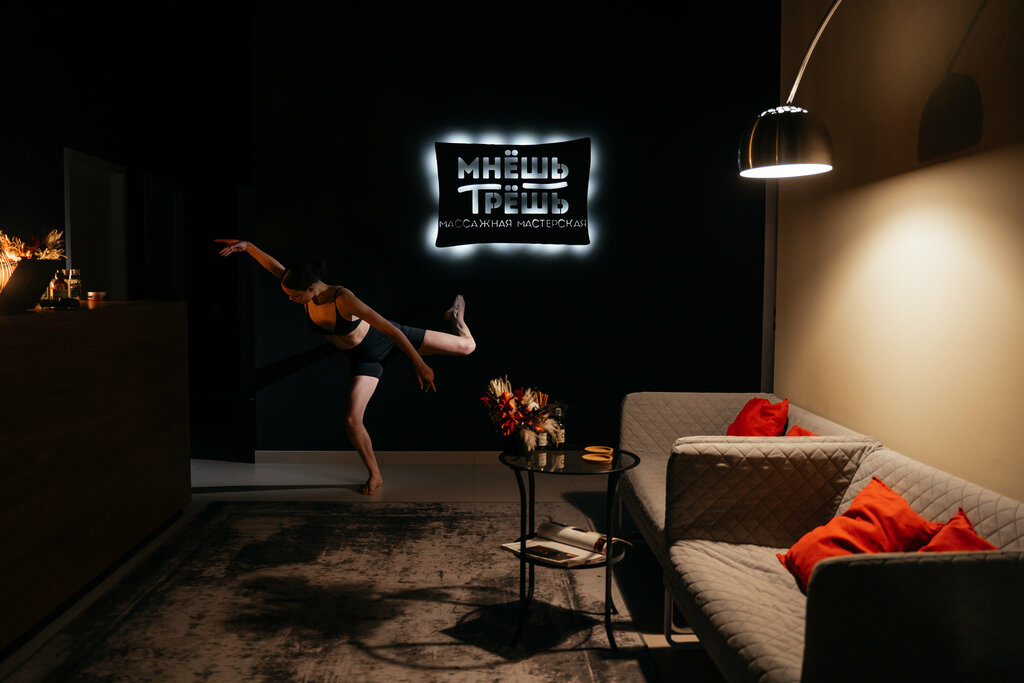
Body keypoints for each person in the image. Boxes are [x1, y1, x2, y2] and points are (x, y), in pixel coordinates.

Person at [216, 239, 475, 495]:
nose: (291, 299)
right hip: (363, 359)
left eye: (294, 296)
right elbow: (275, 268)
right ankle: (375, 475)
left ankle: (455, 315)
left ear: (310, 288)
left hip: (388, 340)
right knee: (352, 420)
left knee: (467, 347)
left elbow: (388, 328)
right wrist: (248, 247)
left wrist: (420, 364)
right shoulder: (300, 284)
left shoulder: (343, 298)